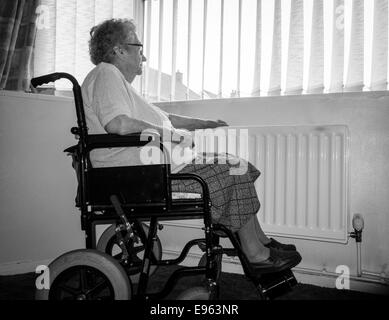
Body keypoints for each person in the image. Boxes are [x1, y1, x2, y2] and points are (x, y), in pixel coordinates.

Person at [81, 18, 301, 273]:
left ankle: (260, 242)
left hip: (153, 168)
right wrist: (172, 136)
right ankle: (255, 254)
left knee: (240, 167)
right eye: (138, 46)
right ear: (119, 49)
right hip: (140, 176)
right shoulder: (106, 73)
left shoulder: (119, 84)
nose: (144, 55)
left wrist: (204, 123)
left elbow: (168, 118)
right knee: (234, 169)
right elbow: (118, 124)